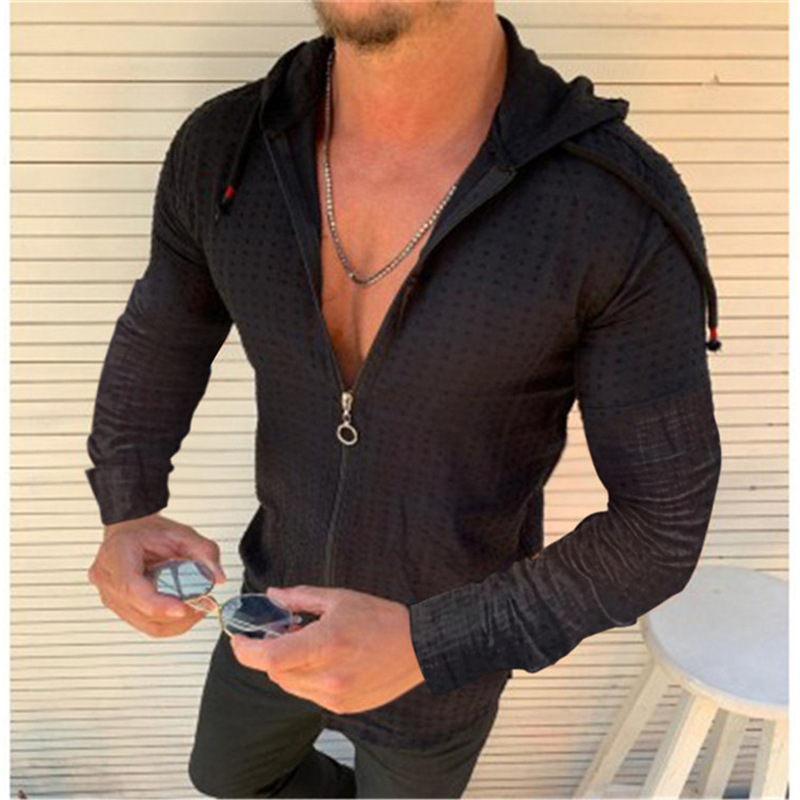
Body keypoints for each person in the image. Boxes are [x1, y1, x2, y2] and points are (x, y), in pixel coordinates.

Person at [84, 1, 724, 797]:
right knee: (228, 780)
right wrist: (127, 505)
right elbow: (163, 333)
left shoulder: (611, 204)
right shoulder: (226, 148)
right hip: (269, 608)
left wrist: (432, 644)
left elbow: (661, 527)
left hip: (444, 668)